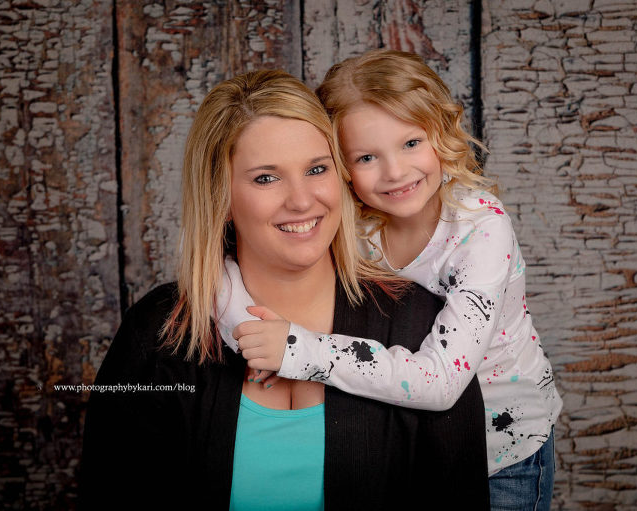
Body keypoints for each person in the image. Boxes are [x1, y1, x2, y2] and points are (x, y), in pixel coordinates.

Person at [78, 69, 489, 510]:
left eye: (316, 169)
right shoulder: (159, 332)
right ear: (221, 197)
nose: (301, 200)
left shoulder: (420, 326)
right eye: (266, 178)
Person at [225, 50, 562, 510]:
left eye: (411, 143)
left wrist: (296, 350)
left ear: (441, 132)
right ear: (341, 166)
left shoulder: (481, 231)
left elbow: (441, 382)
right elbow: (224, 265)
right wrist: (242, 332)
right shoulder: (353, 223)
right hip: (403, 441)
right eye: (366, 156)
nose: (396, 172)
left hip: (502, 450)